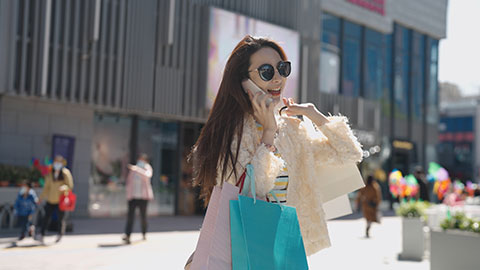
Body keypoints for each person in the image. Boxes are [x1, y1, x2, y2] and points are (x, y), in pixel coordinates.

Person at [190, 35, 363, 262]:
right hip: (244, 247)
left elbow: (350, 153)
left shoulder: (291, 128)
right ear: (243, 80)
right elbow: (252, 193)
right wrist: (268, 134)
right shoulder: (231, 131)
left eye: (282, 69)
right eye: (266, 72)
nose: (278, 79)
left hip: (287, 245)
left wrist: (314, 114)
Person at [38, 155, 74, 243]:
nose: (57, 164)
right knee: (46, 217)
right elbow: (46, 188)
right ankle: (42, 234)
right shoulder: (50, 174)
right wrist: (41, 198)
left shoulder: (65, 173)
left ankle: (60, 234)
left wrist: (64, 188)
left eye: (59, 162)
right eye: (55, 162)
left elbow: (70, 185)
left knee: (60, 219)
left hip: (60, 200)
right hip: (50, 199)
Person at [122, 153, 154, 244]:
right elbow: (129, 182)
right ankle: (127, 235)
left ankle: (144, 233)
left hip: (143, 198)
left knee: (143, 216)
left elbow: (148, 175)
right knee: (130, 217)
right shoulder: (134, 169)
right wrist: (128, 195)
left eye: (141, 160)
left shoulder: (146, 168)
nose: (140, 161)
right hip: (133, 197)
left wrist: (137, 169)